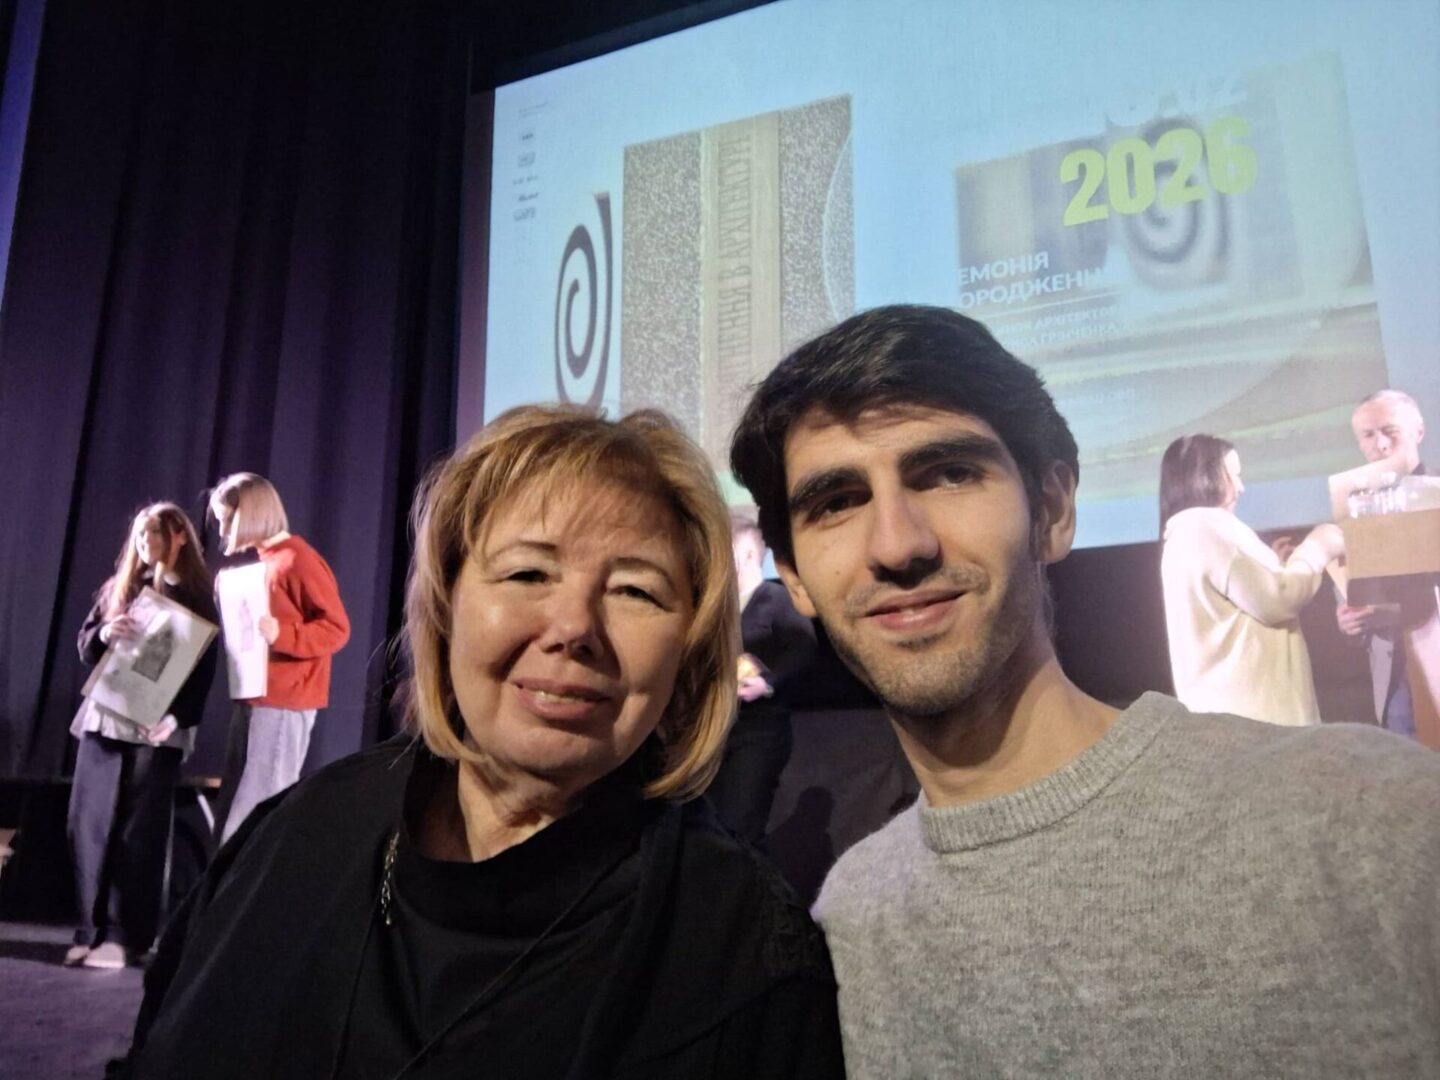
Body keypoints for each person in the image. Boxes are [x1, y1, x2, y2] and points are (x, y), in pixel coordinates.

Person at [729, 304, 1440, 1078]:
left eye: (951, 473)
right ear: (794, 576)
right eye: (836, 503)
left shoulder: (1370, 819)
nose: (898, 545)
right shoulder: (846, 926)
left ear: (1055, 510)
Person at [121, 407, 843, 1079]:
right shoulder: (291, 836)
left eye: (634, 590)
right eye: (527, 573)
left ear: (688, 651)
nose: (574, 627)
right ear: (446, 605)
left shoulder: (747, 958)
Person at [68, 503, 219, 970]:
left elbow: (203, 669)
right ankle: (88, 929)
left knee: (139, 831)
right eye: (138, 536)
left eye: (152, 535)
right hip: (106, 718)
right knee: (88, 823)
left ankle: (123, 935)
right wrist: (104, 633)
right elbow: (86, 643)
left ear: (178, 536)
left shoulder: (197, 598)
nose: (144, 544)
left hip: (155, 730)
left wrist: (178, 718)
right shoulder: (123, 589)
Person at [1157, 434, 1342, 725]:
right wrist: (1317, 548)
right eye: (1233, 475)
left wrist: (1271, 565)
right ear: (1205, 476)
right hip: (1257, 721)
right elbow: (1278, 599)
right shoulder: (1205, 528)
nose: (1240, 488)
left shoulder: (1185, 533)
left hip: (1232, 718)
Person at [208, 472, 349, 842]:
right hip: (255, 698)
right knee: (236, 802)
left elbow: (336, 628)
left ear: (250, 513)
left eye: (227, 519)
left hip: (283, 702)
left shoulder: (296, 560)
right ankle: (224, 878)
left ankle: (244, 879)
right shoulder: (266, 562)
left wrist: (282, 635)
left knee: (257, 807)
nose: (222, 529)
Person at [707, 508, 817, 845]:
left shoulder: (776, 599)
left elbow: (804, 649)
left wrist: (767, 682)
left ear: (749, 553)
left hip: (758, 730)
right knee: (710, 824)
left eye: (724, 549)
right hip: (715, 730)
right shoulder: (718, 607)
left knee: (740, 825)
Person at [1336, 389, 1432, 736]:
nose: (1380, 444)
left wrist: (1394, 612)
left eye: (1390, 431)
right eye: (1368, 435)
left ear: (1418, 431)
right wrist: (1350, 621)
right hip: (1394, 684)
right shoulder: (1355, 510)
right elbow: (1349, 588)